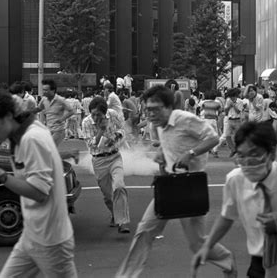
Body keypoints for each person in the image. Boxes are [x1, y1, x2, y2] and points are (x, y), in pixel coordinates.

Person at [116, 85, 236, 278]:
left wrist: (190, 154)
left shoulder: (185, 119)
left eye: (155, 109)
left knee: (196, 243)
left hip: (189, 187)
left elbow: (213, 138)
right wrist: (162, 156)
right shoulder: (159, 126)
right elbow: (170, 144)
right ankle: (127, 275)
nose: (151, 114)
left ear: (169, 107)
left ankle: (228, 262)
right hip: (169, 186)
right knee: (144, 231)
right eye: (147, 109)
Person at [191, 121, 277, 278]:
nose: (248, 162)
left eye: (255, 154)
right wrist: (207, 246)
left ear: (272, 153)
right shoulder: (235, 180)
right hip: (260, 262)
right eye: (241, 155)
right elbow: (226, 216)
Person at [0, 90, 77, 277]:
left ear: (8, 116)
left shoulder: (31, 139)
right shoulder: (22, 132)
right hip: (32, 235)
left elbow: (40, 192)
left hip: (51, 242)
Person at [82, 96, 130, 232]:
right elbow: (91, 145)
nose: (95, 117)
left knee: (119, 186)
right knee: (108, 195)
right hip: (99, 160)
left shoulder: (113, 115)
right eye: (93, 114)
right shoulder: (86, 122)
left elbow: (122, 130)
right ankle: (115, 214)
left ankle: (123, 222)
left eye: (99, 114)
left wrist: (115, 137)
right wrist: (101, 131)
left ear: (105, 112)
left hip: (115, 156)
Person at [36, 79, 75, 146]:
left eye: (46, 90)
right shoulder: (44, 99)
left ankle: (72, 154)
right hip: (49, 129)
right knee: (49, 150)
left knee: (50, 148)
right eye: (43, 90)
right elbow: (39, 108)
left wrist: (62, 119)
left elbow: (72, 111)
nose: (44, 92)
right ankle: (72, 154)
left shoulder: (60, 100)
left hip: (59, 130)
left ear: (53, 90)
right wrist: (27, 112)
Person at [213, 88, 243, 158]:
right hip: (229, 119)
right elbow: (226, 111)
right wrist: (229, 106)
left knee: (237, 137)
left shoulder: (240, 101)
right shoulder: (228, 100)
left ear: (236, 96)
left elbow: (238, 111)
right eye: (231, 96)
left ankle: (239, 151)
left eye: (233, 96)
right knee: (227, 136)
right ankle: (233, 149)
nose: (232, 98)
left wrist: (234, 105)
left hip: (237, 120)